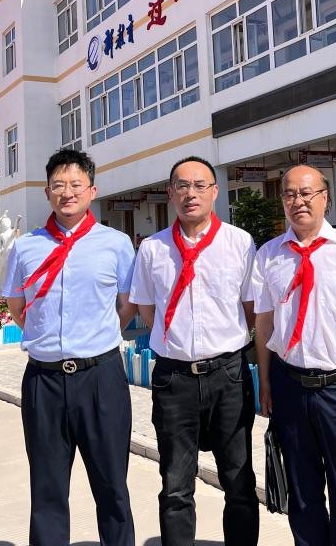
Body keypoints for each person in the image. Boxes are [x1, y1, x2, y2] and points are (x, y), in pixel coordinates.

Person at [1, 149, 137, 546]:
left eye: (76, 184)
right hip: (43, 381)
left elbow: (128, 304)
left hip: (101, 379)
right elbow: (16, 305)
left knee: (112, 487)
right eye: (58, 185)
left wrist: (99, 335)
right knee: (47, 490)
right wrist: (45, 336)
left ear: (92, 190)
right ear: (47, 192)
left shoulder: (115, 244)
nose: (67, 192)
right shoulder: (26, 247)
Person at [251, 165, 336, 546]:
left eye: (306, 193)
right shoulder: (269, 255)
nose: (298, 201)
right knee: (302, 490)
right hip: (289, 384)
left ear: (325, 198)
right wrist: (265, 381)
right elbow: (264, 324)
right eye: (289, 194)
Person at [126, 155, 259, 546]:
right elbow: (147, 310)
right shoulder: (152, 249)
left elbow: (250, 307)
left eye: (200, 185)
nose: (191, 194)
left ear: (215, 192)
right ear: (170, 193)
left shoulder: (239, 243)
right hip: (174, 379)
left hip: (229, 376)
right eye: (182, 186)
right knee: (175, 485)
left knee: (238, 481)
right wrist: (179, 342)